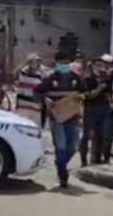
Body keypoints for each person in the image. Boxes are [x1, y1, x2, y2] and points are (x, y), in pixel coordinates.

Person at [36, 51, 85, 188]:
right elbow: (37, 92)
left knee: (73, 146)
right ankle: (63, 174)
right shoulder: (50, 77)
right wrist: (46, 100)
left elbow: (84, 92)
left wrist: (80, 98)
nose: (63, 65)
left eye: (66, 63)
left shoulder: (76, 77)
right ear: (56, 63)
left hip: (72, 116)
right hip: (56, 116)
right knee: (61, 145)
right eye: (61, 63)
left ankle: (61, 163)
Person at [81, 57, 113, 165]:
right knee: (86, 135)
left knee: (101, 135)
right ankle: (83, 159)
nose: (101, 68)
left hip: (104, 108)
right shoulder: (88, 79)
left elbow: (110, 93)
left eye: (102, 65)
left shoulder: (106, 78)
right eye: (98, 65)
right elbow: (87, 95)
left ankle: (97, 159)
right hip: (91, 108)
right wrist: (99, 88)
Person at [14, 54, 46, 129]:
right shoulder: (22, 72)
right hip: (24, 105)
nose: (35, 64)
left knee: (34, 128)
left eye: (37, 62)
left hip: (35, 106)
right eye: (33, 61)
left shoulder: (41, 74)